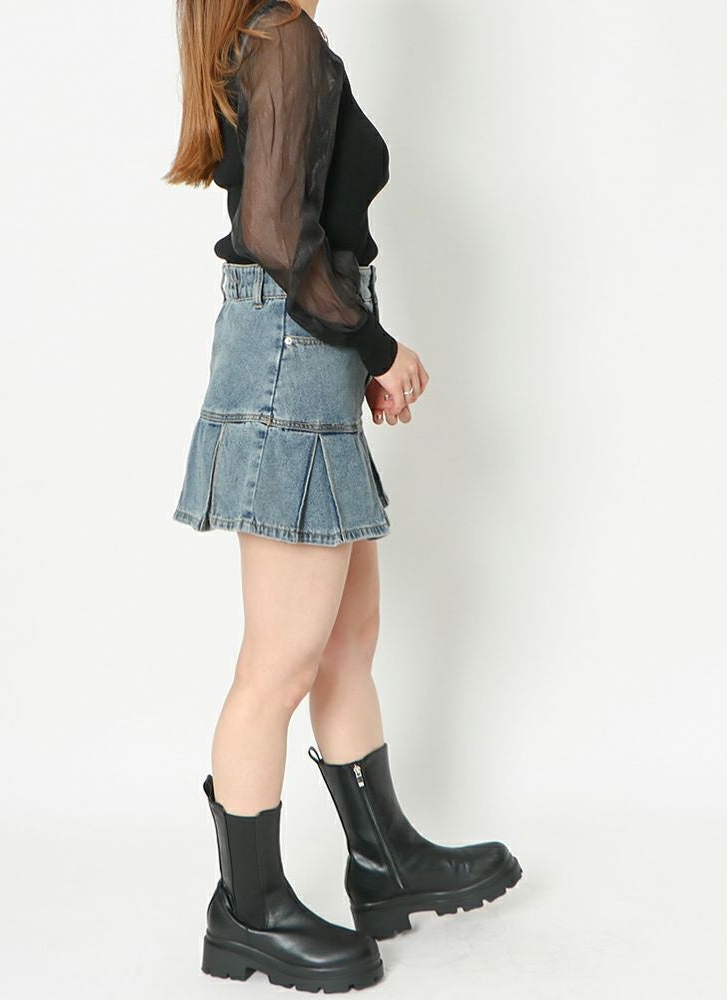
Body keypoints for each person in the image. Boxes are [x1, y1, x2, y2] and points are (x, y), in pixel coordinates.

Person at [164, 0, 521, 990]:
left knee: (346, 637)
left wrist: (355, 353)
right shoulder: (281, 38)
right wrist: (374, 343)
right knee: (276, 664)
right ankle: (247, 911)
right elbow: (277, 236)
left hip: (303, 356)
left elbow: (313, 229)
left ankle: (384, 861)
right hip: (288, 355)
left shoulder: (279, 38)